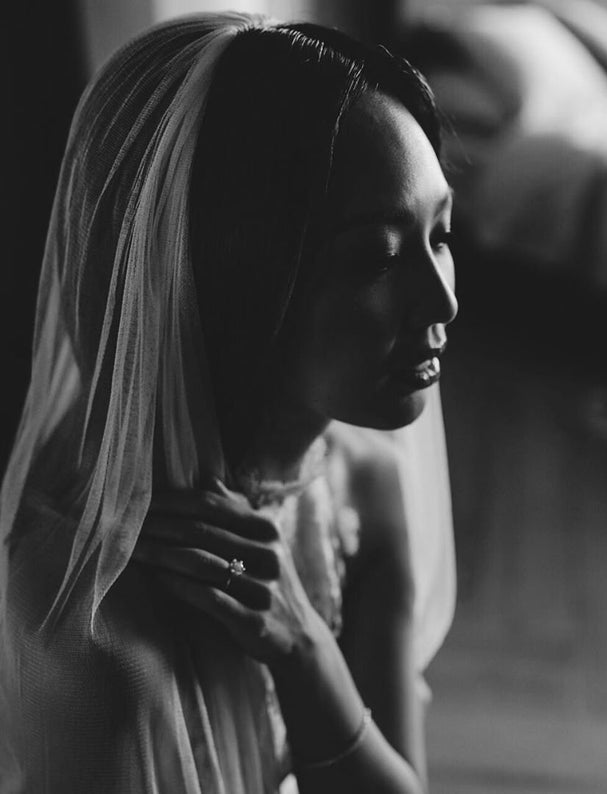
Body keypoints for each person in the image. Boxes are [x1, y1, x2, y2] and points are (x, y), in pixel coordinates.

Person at [0, 13, 457, 793]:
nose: (441, 300)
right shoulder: (93, 633)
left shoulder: (365, 486)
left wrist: (305, 654)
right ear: (236, 282)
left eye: (441, 234)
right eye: (375, 257)